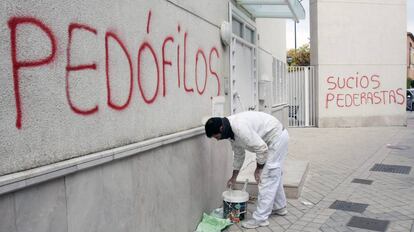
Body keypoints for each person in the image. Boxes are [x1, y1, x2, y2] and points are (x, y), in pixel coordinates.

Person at [204, 111, 289, 229]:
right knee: (274, 175)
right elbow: (239, 154)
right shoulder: (230, 132)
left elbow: (262, 148)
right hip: (273, 139)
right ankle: (280, 207)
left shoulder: (239, 127)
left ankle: (260, 219)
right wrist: (234, 177)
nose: (217, 140)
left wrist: (258, 169)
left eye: (217, 137)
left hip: (276, 138)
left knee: (267, 177)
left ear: (221, 128)